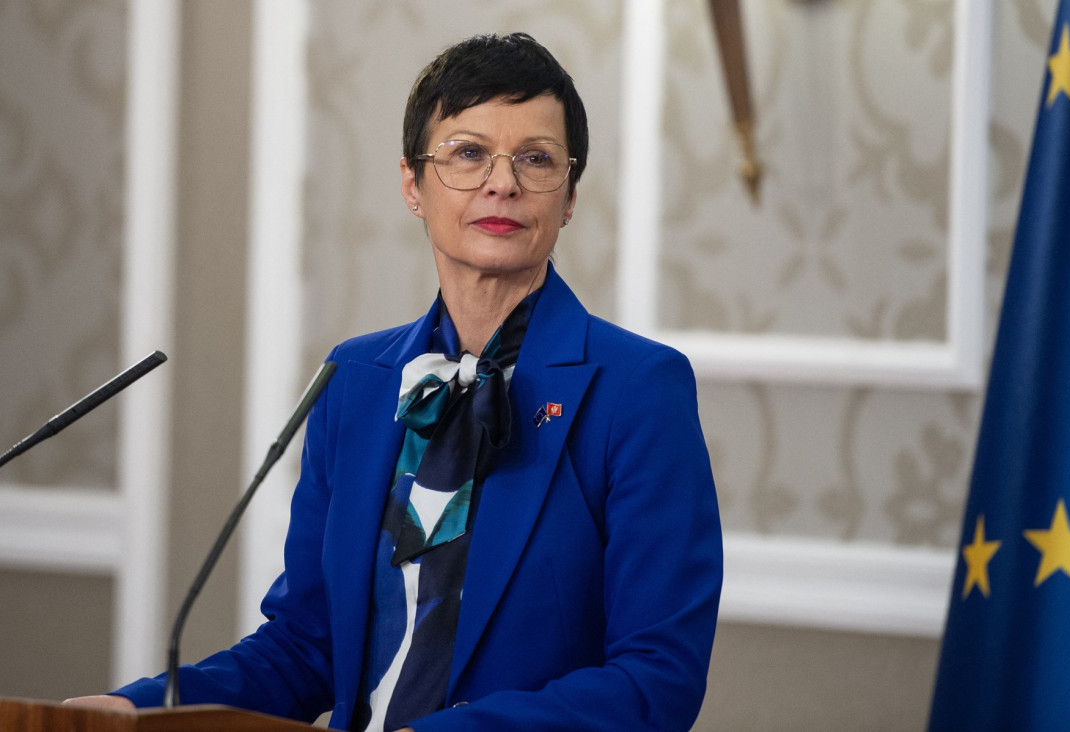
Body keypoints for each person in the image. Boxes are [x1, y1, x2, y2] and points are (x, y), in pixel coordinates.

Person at [65, 32, 723, 731]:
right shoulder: (354, 381)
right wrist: (134, 708)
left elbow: (659, 679)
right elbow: (306, 646)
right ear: (412, 185)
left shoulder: (638, 390)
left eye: (536, 159)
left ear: (568, 196)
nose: (502, 182)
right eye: (467, 153)